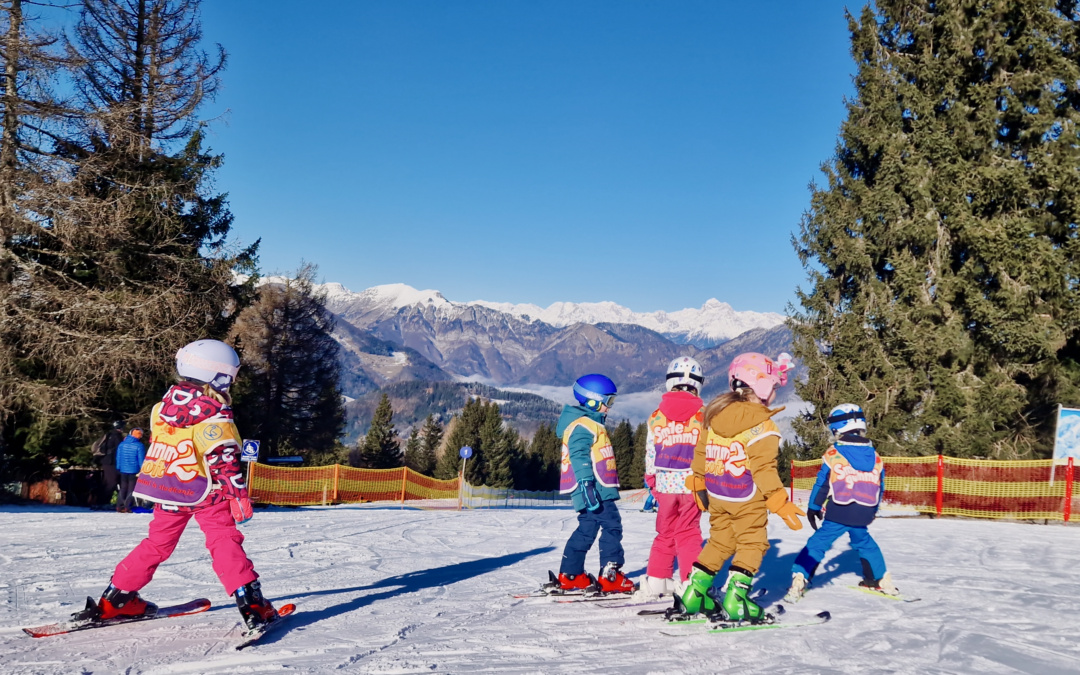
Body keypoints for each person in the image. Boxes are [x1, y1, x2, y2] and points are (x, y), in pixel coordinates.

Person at [75, 339, 279, 632]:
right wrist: (238, 494)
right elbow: (222, 458)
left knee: (157, 544)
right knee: (223, 540)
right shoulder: (215, 414)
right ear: (220, 377)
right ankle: (253, 605)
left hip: (167, 488)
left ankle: (116, 600)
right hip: (205, 489)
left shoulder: (160, 408)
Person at [675, 352, 805, 623]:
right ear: (761, 386)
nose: (775, 393)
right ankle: (737, 599)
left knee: (720, 541)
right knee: (752, 542)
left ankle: (694, 592)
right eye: (773, 386)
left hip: (718, 492)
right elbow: (764, 470)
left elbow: (701, 450)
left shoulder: (715, 414)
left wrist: (699, 482)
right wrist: (779, 501)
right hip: (747, 498)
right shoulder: (762, 426)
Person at [785, 404, 898, 601]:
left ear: (838, 428)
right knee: (864, 542)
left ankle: (800, 578)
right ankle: (880, 579)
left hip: (840, 509)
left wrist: (813, 508)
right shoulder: (875, 456)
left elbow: (823, 484)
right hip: (864, 510)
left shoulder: (834, 454)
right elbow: (880, 485)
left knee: (818, 543)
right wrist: (873, 510)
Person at [542, 373, 635, 595]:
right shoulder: (584, 425)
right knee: (612, 525)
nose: (609, 407)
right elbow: (579, 454)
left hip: (591, 488)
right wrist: (586, 484)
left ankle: (571, 575)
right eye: (608, 401)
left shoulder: (589, 423)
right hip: (595, 488)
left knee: (587, 528)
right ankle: (610, 575)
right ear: (593, 400)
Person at [637, 357, 706, 600]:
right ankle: (691, 582)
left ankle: (657, 579)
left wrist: (651, 480)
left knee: (665, 531)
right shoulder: (703, 414)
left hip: (665, 484)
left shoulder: (656, 416)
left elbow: (650, 451)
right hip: (692, 484)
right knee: (688, 533)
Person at [93, 420, 125, 507]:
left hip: (106, 461)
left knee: (107, 481)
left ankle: (101, 501)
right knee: (111, 482)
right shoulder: (116, 436)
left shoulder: (109, 434)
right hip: (111, 462)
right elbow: (119, 450)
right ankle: (103, 502)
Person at [114, 428, 146, 513]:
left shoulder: (122, 444)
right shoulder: (139, 445)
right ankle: (128, 506)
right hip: (134, 470)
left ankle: (119, 505)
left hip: (123, 470)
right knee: (131, 489)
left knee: (123, 487)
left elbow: (118, 457)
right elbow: (141, 460)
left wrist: (118, 467)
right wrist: (142, 470)